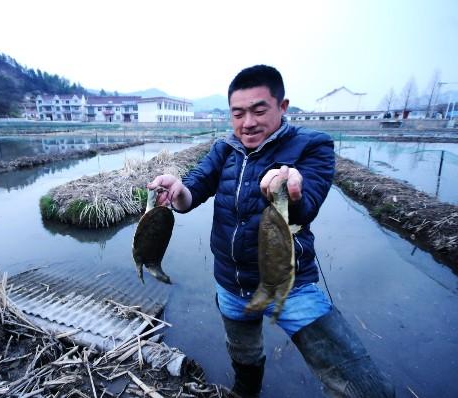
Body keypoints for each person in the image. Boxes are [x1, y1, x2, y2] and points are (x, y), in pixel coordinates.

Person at [148, 65, 395, 397]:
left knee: (361, 384)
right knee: (244, 354)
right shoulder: (225, 149)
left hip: (291, 285)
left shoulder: (312, 146)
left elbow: (308, 203)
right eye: (238, 113)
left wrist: (288, 189)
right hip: (232, 283)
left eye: (258, 110)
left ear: (283, 106)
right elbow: (193, 189)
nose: (247, 122)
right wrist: (177, 191)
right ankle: (247, 390)